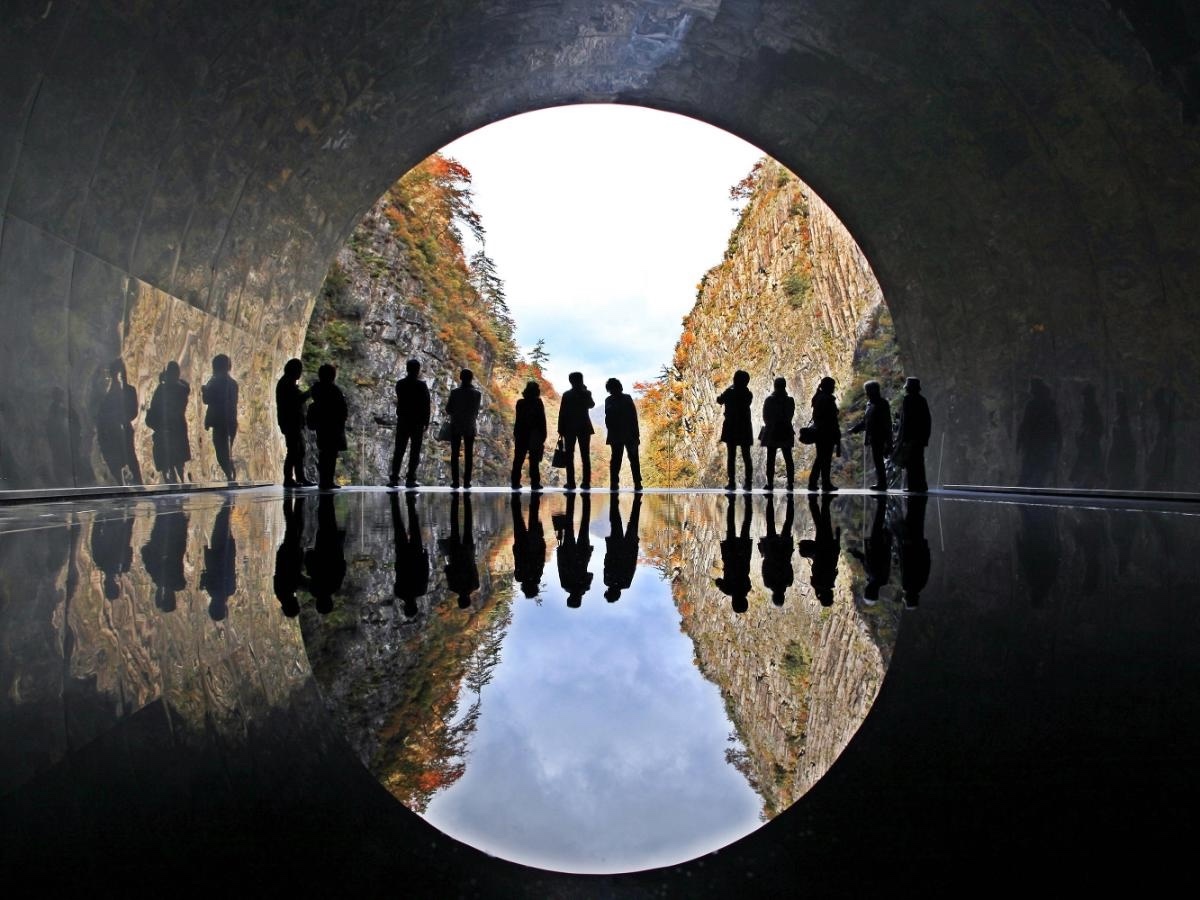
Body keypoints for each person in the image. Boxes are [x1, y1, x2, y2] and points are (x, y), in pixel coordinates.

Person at [97, 357, 142, 485]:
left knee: (131, 458)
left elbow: (133, 411)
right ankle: (123, 484)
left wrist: (123, 418)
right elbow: (103, 416)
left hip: (126, 430)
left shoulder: (130, 390)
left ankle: (138, 483)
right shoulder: (108, 395)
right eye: (116, 372)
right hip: (113, 433)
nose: (120, 375)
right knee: (118, 461)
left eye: (121, 372)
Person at [146, 361, 191, 484]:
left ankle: (173, 480)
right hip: (178, 426)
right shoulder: (182, 389)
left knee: (168, 456)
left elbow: (154, 407)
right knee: (178, 457)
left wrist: (163, 381)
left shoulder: (162, 389)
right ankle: (181, 479)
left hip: (165, 427)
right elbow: (186, 386)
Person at [389, 358, 431, 488]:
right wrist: (426, 421)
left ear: (407, 369)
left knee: (399, 449)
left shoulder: (400, 384)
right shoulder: (421, 385)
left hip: (403, 420)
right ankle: (411, 478)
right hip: (417, 422)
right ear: (418, 370)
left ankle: (394, 477)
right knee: (415, 451)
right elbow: (426, 405)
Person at [307, 363, 348, 491]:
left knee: (324, 453)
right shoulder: (334, 390)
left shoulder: (316, 389)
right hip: (333, 426)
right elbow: (342, 408)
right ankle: (328, 481)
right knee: (331, 454)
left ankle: (323, 480)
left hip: (321, 426)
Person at [848, 380, 893, 491]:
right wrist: (855, 429)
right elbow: (865, 421)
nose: (866, 393)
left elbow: (887, 423)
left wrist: (888, 440)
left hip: (881, 436)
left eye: (868, 391)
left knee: (879, 460)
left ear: (874, 391)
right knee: (878, 460)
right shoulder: (870, 404)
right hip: (873, 437)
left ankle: (882, 484)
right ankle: (881, 483)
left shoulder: (882, 404)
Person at [306, 492, 346, 615]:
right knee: (323, 522)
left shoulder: (335, 586)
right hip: (321, 548)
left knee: (330, 522)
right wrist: (309, 553)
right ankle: (324, 498)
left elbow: (343, 565)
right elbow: (310, 565)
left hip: (334, 548)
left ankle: (327, 498)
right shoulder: (314, 588)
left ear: (330, 601)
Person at [275, 358, 313, 488]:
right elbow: (295, 400)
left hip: (292, 422)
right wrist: (309, 393)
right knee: (293, 451)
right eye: (299, 370)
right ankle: (289, 479)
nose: (300, 373)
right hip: (290, 422)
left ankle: (299, 477)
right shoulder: (286, 384)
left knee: (299, 450)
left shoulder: (287, 382)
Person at [391, 491, 429, 617]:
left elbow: (425, 572)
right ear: (405, 607)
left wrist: (425, 555)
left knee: (414, 526)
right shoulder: (399, 592)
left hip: (416, 555)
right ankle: (394, 500)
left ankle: (411, 501)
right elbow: (398, 574)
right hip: (402, 557)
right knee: (398, 525)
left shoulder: (421, 590)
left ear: (416, 605)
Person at [201, 353, 238, 481]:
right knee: (227, 449)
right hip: (231, 421)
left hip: (219, 422)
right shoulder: (233, 383)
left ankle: (229, 474)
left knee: (221, 451)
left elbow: (207, 400)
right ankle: (231, 471)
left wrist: (204, 390)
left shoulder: (215, 381)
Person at [714, 492, 753, 612]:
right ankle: (732, 500)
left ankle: (748, 501)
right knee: (731, 526)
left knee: (746, 525)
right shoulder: (728, 590)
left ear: (745, 601)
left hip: (744, 557)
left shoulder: (747, 588)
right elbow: (718, 581)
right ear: (733, 602)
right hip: (730, 556)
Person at [800, 493, 840, 606]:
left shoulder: (828, 581)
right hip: (820, 549)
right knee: (821, 524)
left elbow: (833, 560)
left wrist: (837, 541)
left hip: (827, 547)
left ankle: (821, 500)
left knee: (824, 523)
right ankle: (818, 501)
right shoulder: (817, 583)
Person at [850, 496, 891, 604]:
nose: (866, 589)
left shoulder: (876, 579)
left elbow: (864, 560)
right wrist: (887, 541)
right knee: (878, 521)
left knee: (878, 521)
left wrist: (855, 553)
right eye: (867, 592)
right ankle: (882, 500)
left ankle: (882, 502)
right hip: (878, 544)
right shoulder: (875, 576)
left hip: (877, 544)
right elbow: (882, 558)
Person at [441, 492, 480, 609]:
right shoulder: (453, 587)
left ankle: (467, 500)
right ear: (459, 600)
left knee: (468, 527)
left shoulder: (475, 586)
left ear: (469, 599)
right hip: (455, 554)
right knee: (454, 526)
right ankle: (455, 500)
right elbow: (447, 570)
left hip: (468, 554)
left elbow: (474, 568)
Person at [717, 370, 754, 492]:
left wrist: (729, 387)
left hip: (731, 426)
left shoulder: (729, 393)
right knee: (746, 455)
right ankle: (748, 483)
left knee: (731, 456)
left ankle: (732, 483)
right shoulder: (748, 394)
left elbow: (719, 400)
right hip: (744, 426)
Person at [557, 372, 595, 490]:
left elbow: (562, 412)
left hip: (569, 428)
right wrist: (585, 391)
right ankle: (586, 483)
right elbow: (591, 405)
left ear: (570, 381)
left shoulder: (567, 395)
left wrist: (560, 428)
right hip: (584, 427)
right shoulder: (586, 393)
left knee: (569, 455)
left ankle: (571, 483)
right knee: (585, 455)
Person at [604, 377, 642, 491]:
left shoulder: (609, 400)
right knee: (633, 458)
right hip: (629, 433)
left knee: (616, 459)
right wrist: (636, 434)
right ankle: (637, 482)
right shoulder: (626, 398)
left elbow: (608, 418)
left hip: (616, 434)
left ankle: (614, 483)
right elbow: (633, 417)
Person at [555, 491, 593, 607]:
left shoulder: (585, 587)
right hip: (568, 552)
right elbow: (561, 566)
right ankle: (570, 499)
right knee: (569, 526)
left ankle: (586, 499)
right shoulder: (565, 585)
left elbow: (590, 574)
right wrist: (559, 550)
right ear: (569, 598)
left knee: (585, 524)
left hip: (583, 554)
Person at [200, 500, 236, 620]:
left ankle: (229, 502)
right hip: (217, 553)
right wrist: (202, 584)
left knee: (224, 525)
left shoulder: (230, 590)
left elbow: (232, 570)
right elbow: (206, 573)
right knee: (221, 522)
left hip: (228, 552)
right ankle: (228, 500)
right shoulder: (211, 591)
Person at [446, 368, 482, 489]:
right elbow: (476, 411)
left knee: (454, 454)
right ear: (471, 378)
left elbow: (448, 409)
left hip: (456, 425)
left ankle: (455, 481)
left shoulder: (454, 392)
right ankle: (467, 482)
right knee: (469, 454)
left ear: (461, 378)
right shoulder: (477, 394)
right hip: (470, 426)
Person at [273, 494, 308, 617]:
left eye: (296, 604)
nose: (297, 601)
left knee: (293, 525)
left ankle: (291, 498)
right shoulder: (282, 594)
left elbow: (295, 577)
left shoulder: (285, 591)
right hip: (286, 554)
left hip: (289, 554)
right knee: (296, 525)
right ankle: (296, 499)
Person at [895, 376, 932, 493]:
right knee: (919, 461)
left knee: (910, 462)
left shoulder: (908, 400)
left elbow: (906, 422)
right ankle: (922, 485)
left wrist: (902, 439)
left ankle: (913, 486)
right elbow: (927, 420)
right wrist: (925, 437)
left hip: (910, 437)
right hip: (920, 438)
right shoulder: (922, 400)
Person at [603, 494, 642, 602]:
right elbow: (607, 563)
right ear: (608, 592)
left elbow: (632, 566)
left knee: (633, 521)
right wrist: (609, 548)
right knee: (615, 521)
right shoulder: (607, 581)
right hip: (615, 547)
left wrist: (635, 548)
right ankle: (614, 498)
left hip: (629, 549)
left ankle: (637, 498)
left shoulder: (626, 584)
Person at [759, 493, 795, 606]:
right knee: (770, 523)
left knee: (788, 523)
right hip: (771, 550)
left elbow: (790, 566)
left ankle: (790, 499)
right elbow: (764, 566)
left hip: (784, 551)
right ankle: (770, 498)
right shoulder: (768, 583)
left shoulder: (788, 582)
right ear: (773, 596)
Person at [761, 376, 795, 491]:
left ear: (775, 386)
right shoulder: (790, 400)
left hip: (772, 431)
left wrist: (771, 424)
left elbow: (765, 416)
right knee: (788, 458)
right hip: (786, 431)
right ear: (785, 386)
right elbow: (790, 416)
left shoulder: (769, 400)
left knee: (771, 459)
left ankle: (770, 484)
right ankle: (790, 483)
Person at [511, 381, 547, 491]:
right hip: (534, 435)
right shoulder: (538, 403)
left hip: (521, 434)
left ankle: (515, 482)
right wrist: (543, 435)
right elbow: (542, 421)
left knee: (518, 460)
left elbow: (518, 420)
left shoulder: (520, 403)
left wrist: (516, 433)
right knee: (534, 461)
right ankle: (535, 483)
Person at [807, 375, 840, 493]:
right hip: (826, 432)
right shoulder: (826, 399)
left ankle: (815, 482)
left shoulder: (819, 398)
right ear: (828, 387)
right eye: (832, 386)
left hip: (821, 432)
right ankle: (823, 483)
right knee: (824, 459)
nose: (834, 388)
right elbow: (831, 418)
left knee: (821, 458)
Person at [512, 491, 546, 599]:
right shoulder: (519, 577)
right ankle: (515, 496)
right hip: (521, 544)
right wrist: (515, 548)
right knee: (517, 516)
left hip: (534, 544)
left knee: (533, 515)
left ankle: (534, 495)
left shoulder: (537, 576)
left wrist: (542, 543)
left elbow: (541, 559)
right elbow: (517, 559)